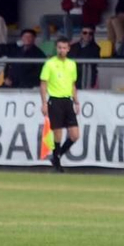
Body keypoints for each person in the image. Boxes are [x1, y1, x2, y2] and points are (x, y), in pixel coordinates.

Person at [40, 36, 82, 169]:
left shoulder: (71, 64)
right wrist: (44, 103)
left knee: (75, 135)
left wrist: (76, 101)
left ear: (68, 49)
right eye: (59, 48)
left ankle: (57, 155)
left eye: (64, 48)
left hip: (67, 100)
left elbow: (72, 84)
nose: (61, 50)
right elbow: (43, 84)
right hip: (55, 100)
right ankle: (57, 161)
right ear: (56, 48)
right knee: (58, 132)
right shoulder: (50, 63)